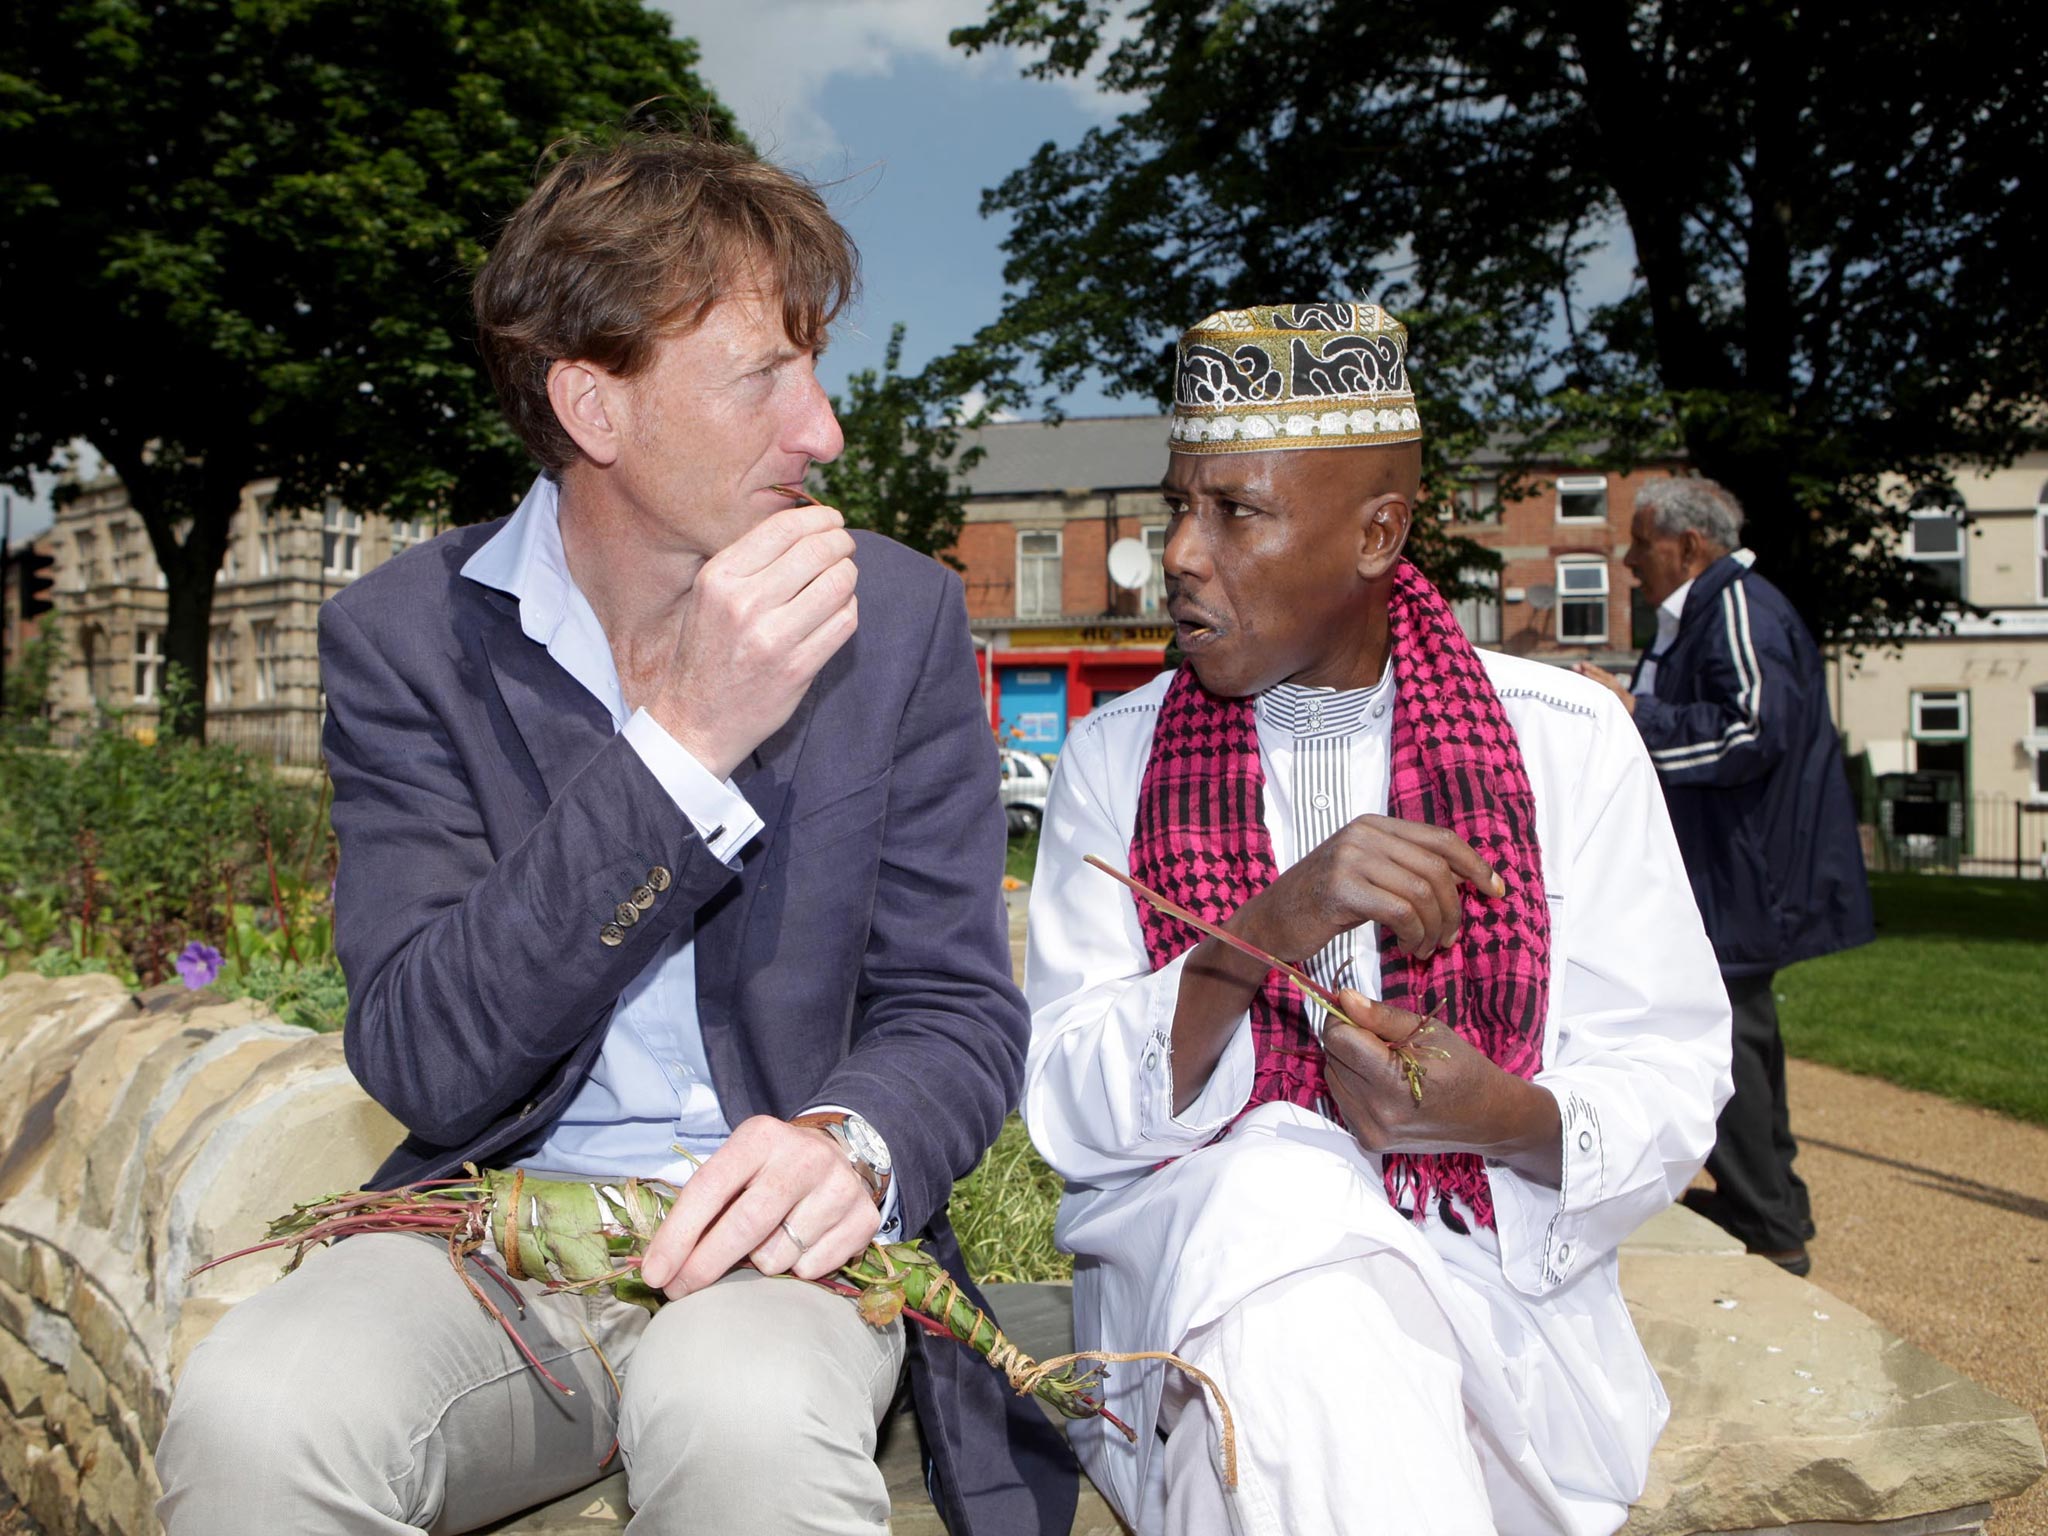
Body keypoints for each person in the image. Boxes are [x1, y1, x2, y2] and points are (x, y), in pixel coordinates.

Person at [154, 131, 1074, 1536]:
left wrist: (850, 1142)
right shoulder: (404, 639)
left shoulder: (894, 620)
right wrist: (685, 744)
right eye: (764, 376)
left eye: (812, 368)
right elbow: (424, 1057)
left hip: (779, 1259)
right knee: (260, 1414)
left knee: (744, 1416)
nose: (821, 429)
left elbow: (955, 1008)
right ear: (594, 405)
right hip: (494, 1230)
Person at [1023, 303, 1733, 1536]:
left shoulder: (1565, 742)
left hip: (1500, 1332)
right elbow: (1069, 1114)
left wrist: (1493, 1115)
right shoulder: (1110, 756)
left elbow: (1670, 1078)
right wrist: (1260, 933)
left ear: (1377, 533)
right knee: (1282, 1192)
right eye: (1176, 503)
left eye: (1232, 511)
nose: (1179, 551)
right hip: (1199, 1317)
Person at [1576, 478, 1874, 1275]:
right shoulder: (1709, 613)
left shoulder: (1734, 605)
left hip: (1746, 868)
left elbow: (1751, 731)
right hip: (1736, 862)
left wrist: (1636, 716)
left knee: (1729, 1036)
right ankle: (1769, 1198)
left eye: (1641, 542)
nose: (1630, 558)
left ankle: (1770, 1221)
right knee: (1745, 1032)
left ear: (1689, 546)